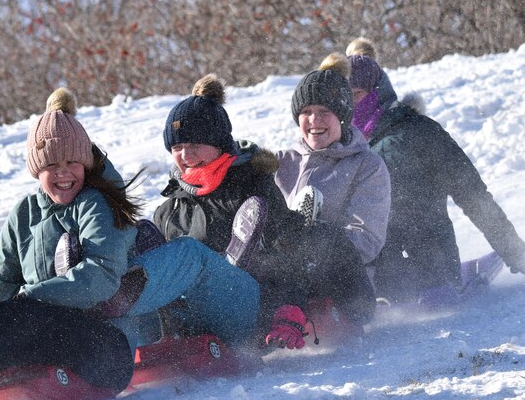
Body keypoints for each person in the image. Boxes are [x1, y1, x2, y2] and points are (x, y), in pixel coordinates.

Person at [0, 88, 260, 390]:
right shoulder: (23, 215)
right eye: (51, 165)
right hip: (54, 323)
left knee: (186, 255)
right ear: (36, 169)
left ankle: (138, 296)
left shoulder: (96, 203)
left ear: (86, 164)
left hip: (104, 324)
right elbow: (3, 281)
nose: (63, 173)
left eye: (71, 163)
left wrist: (32, 296)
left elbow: (102, 273)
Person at [153, 75, 376, 349]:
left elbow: (284, 253)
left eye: (195, 145)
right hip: (193, 312)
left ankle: (230, 269)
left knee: (313, 237)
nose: (186, 156)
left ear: (219, 144)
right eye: (177, 148)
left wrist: (286, 307)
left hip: (253, 305)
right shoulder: (170, 208)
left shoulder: (249, 187)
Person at [344, 40, 525, 303]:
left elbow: (473, 196)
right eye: (343, 100)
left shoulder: (419, 131)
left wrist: (514, 251)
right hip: (371, 273)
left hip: (430, 266)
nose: (349, 106)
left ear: (377, 92)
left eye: (356, 95)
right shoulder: (341, 147)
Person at [276, 54, 391, 274]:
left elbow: (367, 240)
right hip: (283, 273)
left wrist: (311, 239)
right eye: (306, 112)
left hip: (340, 281)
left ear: (343, 116)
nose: (313, 120)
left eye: (324, 112)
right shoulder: (282, 162)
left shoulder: (367, 166)